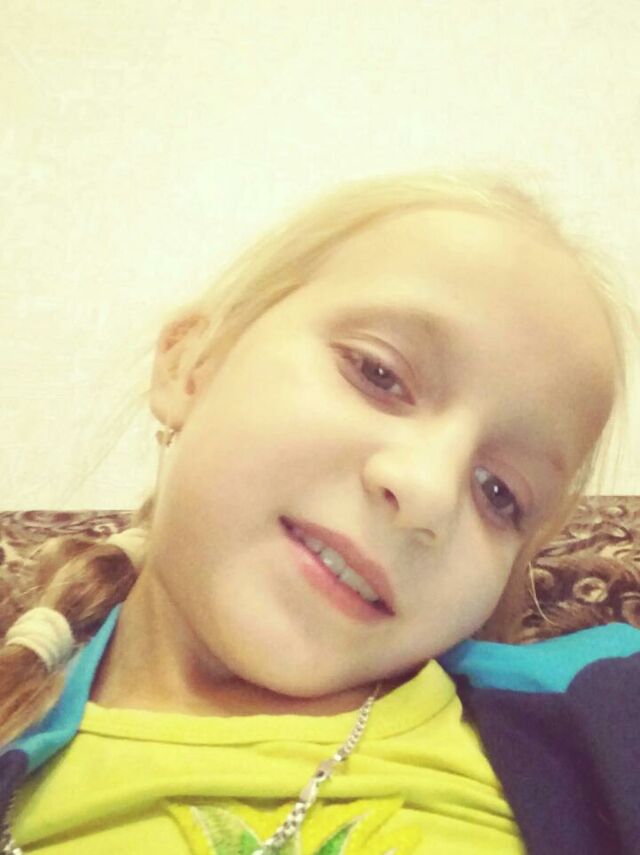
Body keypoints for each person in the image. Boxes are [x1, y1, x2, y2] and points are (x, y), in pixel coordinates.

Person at [0, 171, 638, 855]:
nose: (427, 492)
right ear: (193, 365)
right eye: (378, 373)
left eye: (500, 492)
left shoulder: (601, 712)